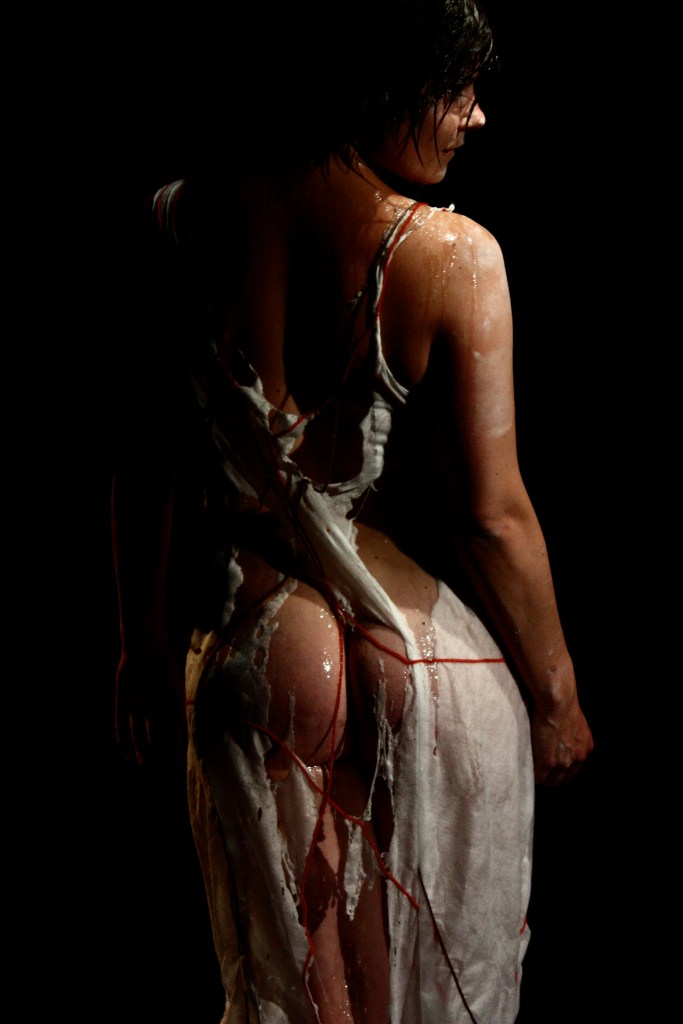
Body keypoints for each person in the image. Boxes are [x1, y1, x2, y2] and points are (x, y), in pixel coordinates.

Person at [111, 2, 594, 1021]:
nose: (475, 116)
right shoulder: (452, 256)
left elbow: (148, 454)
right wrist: (555, 695)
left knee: (300, 999)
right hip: (422, 659)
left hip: (255, 638)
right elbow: (493, 518)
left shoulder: (176, 223)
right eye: (456, 89)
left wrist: (141, 642)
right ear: (385, 84)